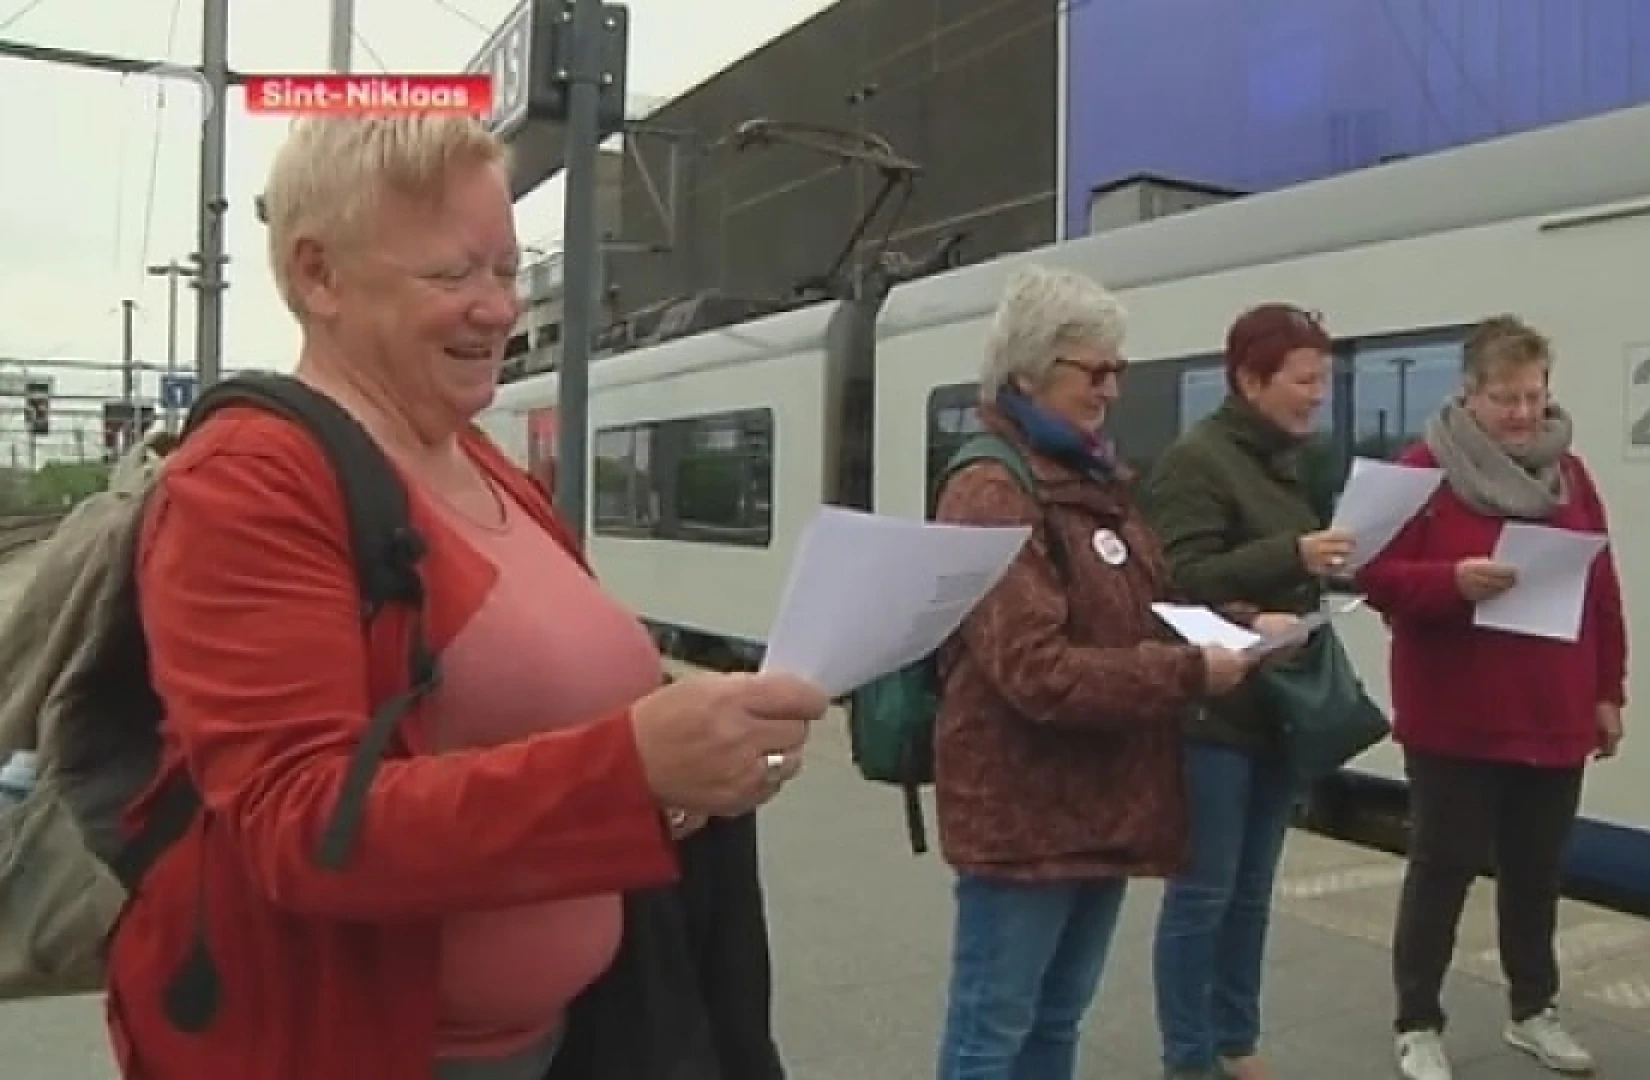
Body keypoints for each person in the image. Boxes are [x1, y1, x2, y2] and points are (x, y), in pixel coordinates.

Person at [103, 114, 828, 1080]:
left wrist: (694, 766)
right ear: (318, 275)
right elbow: (301, 823)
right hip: (367, 1047)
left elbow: (531, 727)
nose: (498, 310)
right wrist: (632, 770)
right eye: (451, 276)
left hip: (566, 1035)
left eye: (506, 272)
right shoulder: (249, 483)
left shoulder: (479, 461)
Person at [930, 264, 1281, 1080]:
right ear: (1028, 372)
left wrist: (1242, 627)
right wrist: (1189, 674)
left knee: (1056, 1025)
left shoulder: (1092, 477)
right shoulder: (991, 489)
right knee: (993, 1033)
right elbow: (1035, 671)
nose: (1114, 389)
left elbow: (1144, 603)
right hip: (1024, 813)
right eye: (1097, 371)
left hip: (1102, 800)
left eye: (1116, 369)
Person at [1353, 315, 1626, 1080]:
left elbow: (1602, 590)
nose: (1521, 413)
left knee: (1537, 872)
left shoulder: (1571, 476)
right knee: (1441, 867)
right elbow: (1372, 577)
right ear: (1468, 395)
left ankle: (1534, 1011)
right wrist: (1452, 583)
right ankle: (1417, 1020)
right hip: (1455, 715)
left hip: (1554, 707)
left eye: (1533, 396)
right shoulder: (1421, 472)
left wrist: (1609, 691)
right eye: (1505, 397)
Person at [1136, 303, 1352, 1080]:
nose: (1317, 395)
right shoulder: (1197, 462)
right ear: (1250, 379)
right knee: (1203, 895)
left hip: (1274, 704)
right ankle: (1188, 1056)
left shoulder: (1286, 461)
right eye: (1304, 380)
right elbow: (1177, 580)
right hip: (1212, 715)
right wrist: (1290, 553)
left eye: (1323, 380)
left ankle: (1236, 1039)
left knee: (1253, 892)